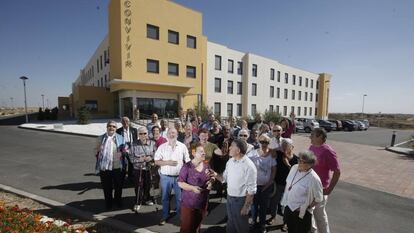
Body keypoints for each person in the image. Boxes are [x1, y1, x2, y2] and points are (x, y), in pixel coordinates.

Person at [211, 139, 257, 233]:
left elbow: (251, 190)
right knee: (231, 222)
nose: (229, 148)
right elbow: (224, 179)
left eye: (232, 146)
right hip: (230, 197)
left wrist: (246, 206)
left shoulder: (249, 166)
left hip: (241, 200)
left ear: (238, 150)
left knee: (241, 225)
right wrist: (215, 174)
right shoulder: (230, 161)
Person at [154, 128, 191, 225]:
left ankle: (180, 215)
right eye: (170, 133)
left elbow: (187, 161)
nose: (171, 134)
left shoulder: (182, 146)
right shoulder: (162, 147)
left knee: (180, 198)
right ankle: (165, 216)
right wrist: (168, 162)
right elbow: (156, 161)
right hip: (165, 177)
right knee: (165, 197)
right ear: (167, 135)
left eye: (174, 133)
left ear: (177, 134)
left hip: (179, 177)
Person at [281, 151, 323, 233]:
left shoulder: (314, 178)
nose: (299, 163)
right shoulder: (294, 168)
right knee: (291, 229)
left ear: (310, 164)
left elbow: (319, 198)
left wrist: (306, 207)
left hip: (301, 212)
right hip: (289, 207)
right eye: (299, 160)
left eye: (302, 162)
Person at [309, 128, 341, 233]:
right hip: (309, 186)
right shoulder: (311, 147)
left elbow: (337, 171)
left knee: (320, 216)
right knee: (309, 213)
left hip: (321, 189)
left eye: (312, 135)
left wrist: (329, 189)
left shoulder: (328, 151)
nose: (310, 137)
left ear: (320, 137)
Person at [178, 142, 214, 233]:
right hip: (189, 204)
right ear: (193, 153)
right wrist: (193, 188)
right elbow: (180, 183)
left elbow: (212, 177)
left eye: (204, 151)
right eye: (201, 151)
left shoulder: (206, 165)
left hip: (202, 203)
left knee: (197, 227)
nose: (204, 153)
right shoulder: (187, 166)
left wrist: (211, 182)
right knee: (186, 228)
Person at [95, 120, 127, 210]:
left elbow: (125, 150)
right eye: (110, 126)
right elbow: (95, 150)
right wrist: (98, 150)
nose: (111, 128)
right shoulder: (100, 138)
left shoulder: (121, 138)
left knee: (118, 186)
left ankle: (118, 201)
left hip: (117, 166)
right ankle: (108, 203)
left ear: (116, 128)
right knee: (107, 187)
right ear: (107, 127)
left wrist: (123, 153)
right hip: (104, 167)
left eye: (113, 126)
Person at [247, 134, 276, 233]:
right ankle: (254, 222)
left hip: (266, 186)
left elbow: (273, 171)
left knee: (263, 206)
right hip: (254, 185)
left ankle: (262, 224)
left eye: (266, 142)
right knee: (254, 205)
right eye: (262, 142)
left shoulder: (272, 155)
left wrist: (269, 183)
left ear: (269, 143)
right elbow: (246, 167)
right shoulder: (252, 154)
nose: (264, 144)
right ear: (259, 142)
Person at [269, 138, 299, 231]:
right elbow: (270, 150)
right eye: (283, 145)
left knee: (287, 205)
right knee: (274, 202)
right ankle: (273, 217)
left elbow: (296, 173)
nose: (284, 147)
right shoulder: (278, 154)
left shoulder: (296, 159)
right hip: (278, 184)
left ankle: (285, 223)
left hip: (289, 187)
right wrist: (277, 148)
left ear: (292, 147)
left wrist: (287, 164)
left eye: (287, 145)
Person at [129, 127, 156, 212]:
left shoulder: (152, 143)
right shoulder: (134, 144)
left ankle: (147, 199)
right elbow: (130, 157)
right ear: (138, 135)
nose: (143, 135)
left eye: (145, 133)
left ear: (147, 134)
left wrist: (151, 158)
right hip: (138, 168)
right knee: (139, 185)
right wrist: (138, 160)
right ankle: (138, 202)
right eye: (141, 133)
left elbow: (156, 154)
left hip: (148, 168)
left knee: (148, 185)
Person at [116, 116, 138, 182]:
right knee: (124, 163)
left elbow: (135, 139)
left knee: (131, 162)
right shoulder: (118, 131)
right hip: (123, 149)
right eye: (124, 121)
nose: (125, 122)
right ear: (121, 122)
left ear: (129, 122)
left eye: (127, 121)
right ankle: (123, 176)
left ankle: (130, 176)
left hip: (131, 148)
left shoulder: (134, 130)